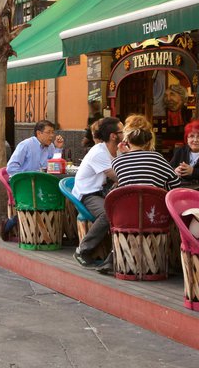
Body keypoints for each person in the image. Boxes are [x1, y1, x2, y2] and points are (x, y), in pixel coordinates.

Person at [72, 117, 123, 267]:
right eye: (122, 131)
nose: (125, 133)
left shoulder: (117, 150)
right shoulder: (99, 152)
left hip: (101, 191)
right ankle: (82, 250)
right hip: (88, 193)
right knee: (108, 214)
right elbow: (118, 176)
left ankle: (115, 255)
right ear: (113, 136)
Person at [114, 114, 180, 190]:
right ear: (148, 138)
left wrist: (127, 154)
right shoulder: (156, 158)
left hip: (128, 201)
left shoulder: (117, 161)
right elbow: (176, 183)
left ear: (127, 139)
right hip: (154, 201)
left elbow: (131, 178)